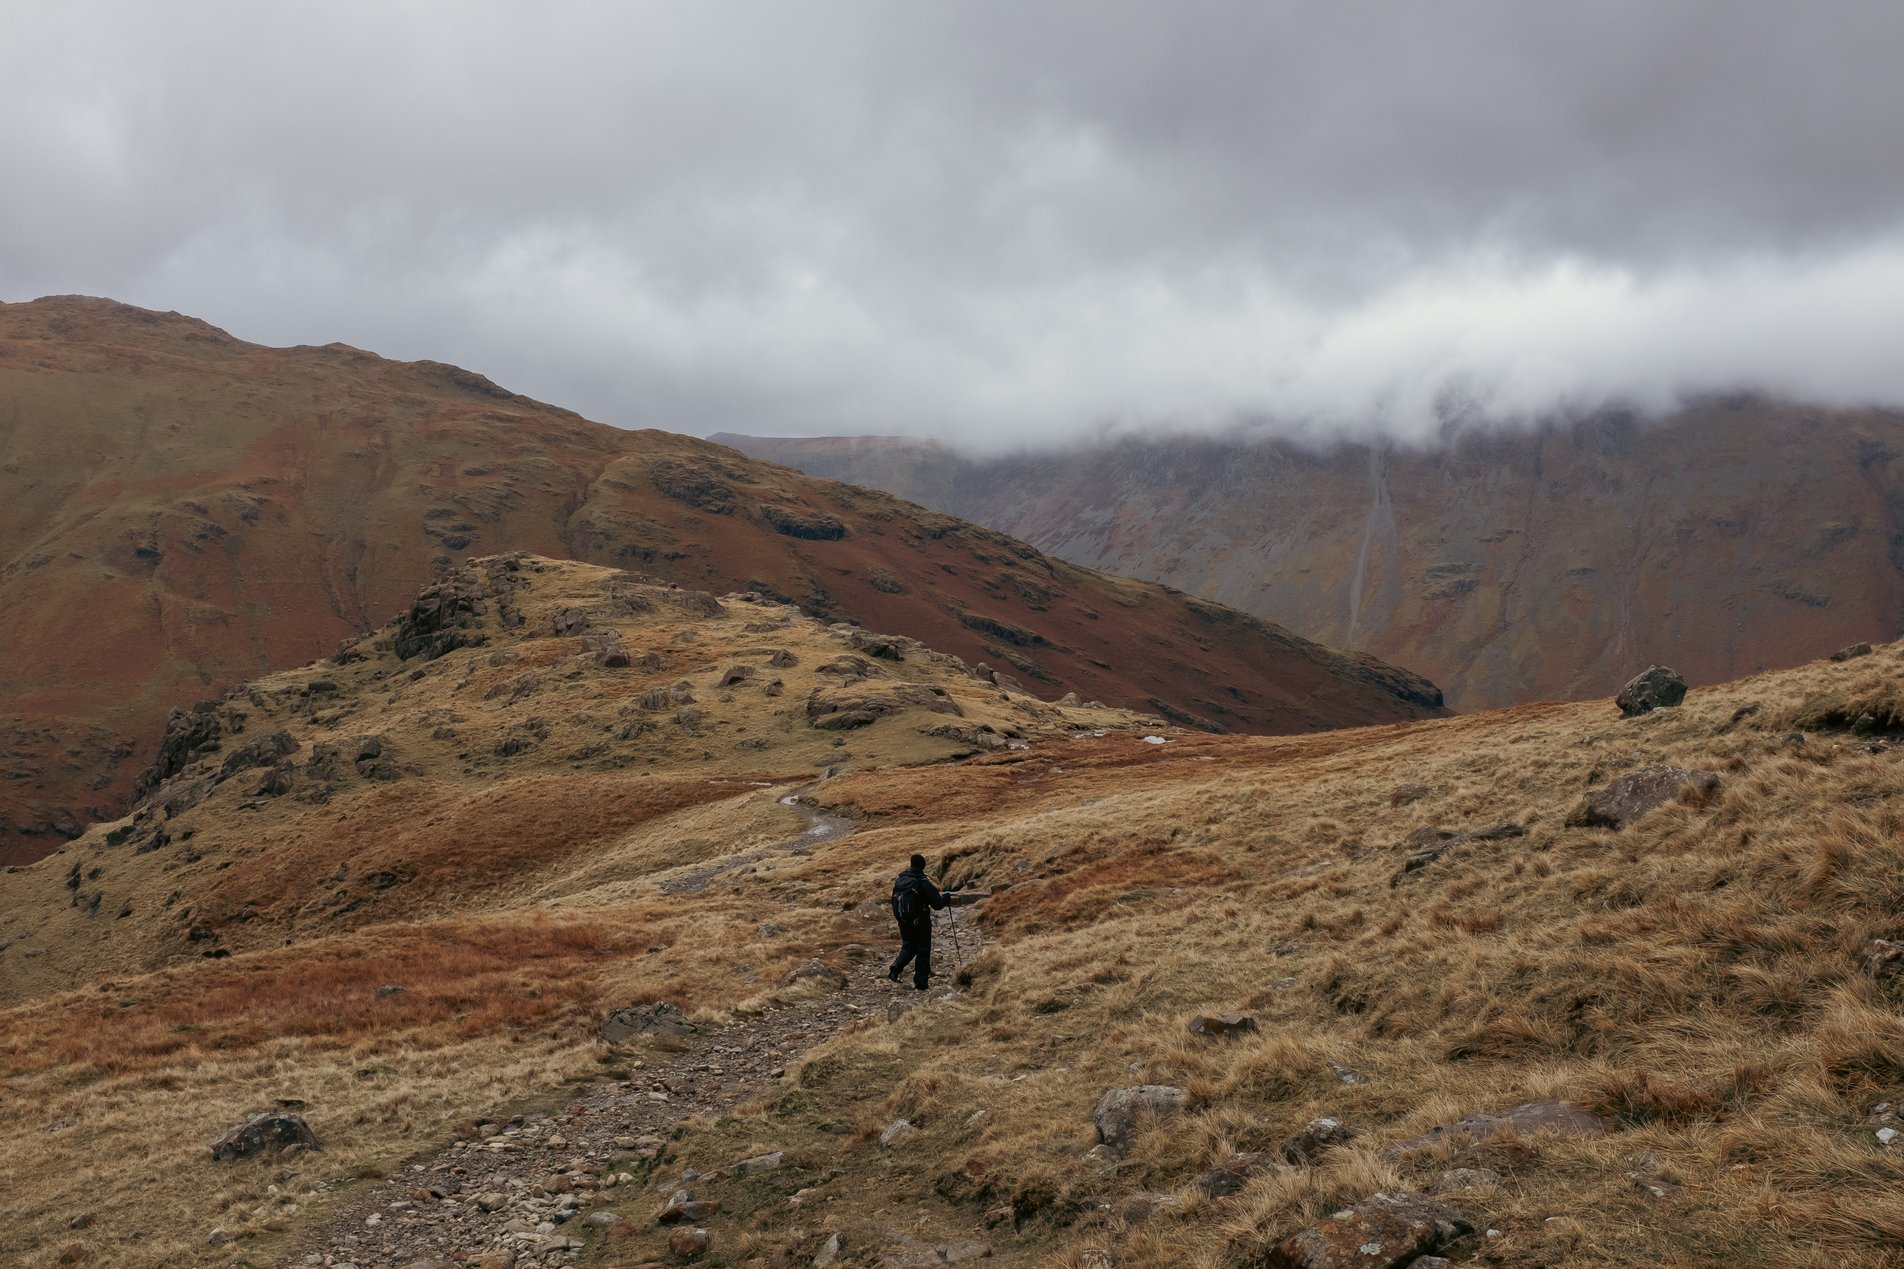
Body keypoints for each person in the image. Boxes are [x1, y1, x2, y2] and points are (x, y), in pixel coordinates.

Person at [888, 853, 948, 990]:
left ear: (911, 864)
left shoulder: (901, 881)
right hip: (921, 922)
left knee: (909, 946)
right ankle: (921, 983)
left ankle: (895, 969)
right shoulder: (922, 882)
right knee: (923, 949)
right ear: (923, 866)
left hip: (903, 921)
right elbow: (938, 904)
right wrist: (946, 898)